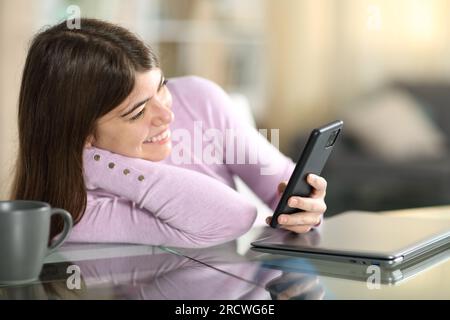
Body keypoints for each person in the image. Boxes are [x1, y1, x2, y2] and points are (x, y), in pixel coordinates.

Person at [11, 18, 327, 248]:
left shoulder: (200, 99)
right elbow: (233, 216)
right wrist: (94, 161)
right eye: (137, 112)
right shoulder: (71, 212)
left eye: (162, 87)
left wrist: (308, 209)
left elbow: (285, 185)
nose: (167, 116)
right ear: (80, 134)